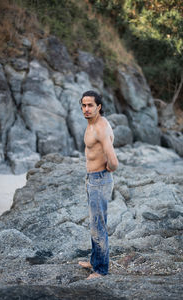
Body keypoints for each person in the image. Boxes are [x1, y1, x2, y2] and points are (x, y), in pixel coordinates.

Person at [78, 90, 118, 279]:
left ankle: (101, 270)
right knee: (96, 224)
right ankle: (95, 261)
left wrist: (107, 171)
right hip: (93, 179)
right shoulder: (92, 123)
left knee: (98, 226)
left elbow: (114, 162)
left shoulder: (100, 128)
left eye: (90, 105)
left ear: (98, 107)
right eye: (84, 105)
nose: (86, 109)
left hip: (99, 180)